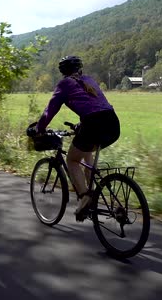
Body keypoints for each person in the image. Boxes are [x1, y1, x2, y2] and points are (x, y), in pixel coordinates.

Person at [36, 55, 120, 220]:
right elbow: (96, 106)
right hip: (112, 123)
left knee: (72, 160)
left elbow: (50, 110)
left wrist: (39, 128)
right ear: (80, 69)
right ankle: (104, 200)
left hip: (93, 124)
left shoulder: (65, 84)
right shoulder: (89, 80)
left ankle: (84, 198)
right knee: (87, 156)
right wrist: (81, 126)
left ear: (63, 72)